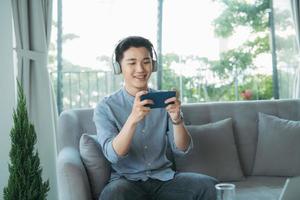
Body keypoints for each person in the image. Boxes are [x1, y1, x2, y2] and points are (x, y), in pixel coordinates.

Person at [93, 36, 218, 200]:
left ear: (153, 65)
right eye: (132, 63)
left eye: (146, 61)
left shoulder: (164, 100)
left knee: (210, 186)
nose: (140, 69)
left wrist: (176, 119)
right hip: (126, 182)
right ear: (119, 67)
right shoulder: (105, 108)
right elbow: (112, 155)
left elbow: (182, 149)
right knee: (113, 194)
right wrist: (132, 119)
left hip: (164, 179)